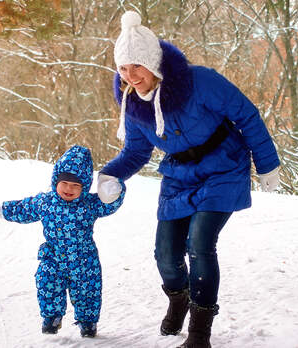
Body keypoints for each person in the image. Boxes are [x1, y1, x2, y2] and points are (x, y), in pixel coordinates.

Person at [96, 11, 280, 348]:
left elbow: (247, 114)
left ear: (153, 62)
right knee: (165, 254)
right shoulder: (132, 106)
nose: (130, 75)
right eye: (123, 68)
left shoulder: (201, 81)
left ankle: (199, 334)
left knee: (199, 243)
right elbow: (136, 153)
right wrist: (109, 175)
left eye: (136, 66)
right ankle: (179, 299)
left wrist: (267, 165)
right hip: (179, 175)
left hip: (223, 165)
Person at [0, 145, 125, 338]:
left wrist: (115, 190)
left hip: (84, 259)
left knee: (87, 291)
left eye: (76, 185)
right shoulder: (46, 202)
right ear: (56, 181)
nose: (69, 189)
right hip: (53, 256)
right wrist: (4, 209)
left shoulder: (89, 204)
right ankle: (52, 317)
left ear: (84, 187)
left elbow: (109, 203)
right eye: (65, 183)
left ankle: (87, 322)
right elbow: (24, 208)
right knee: (46, 282)